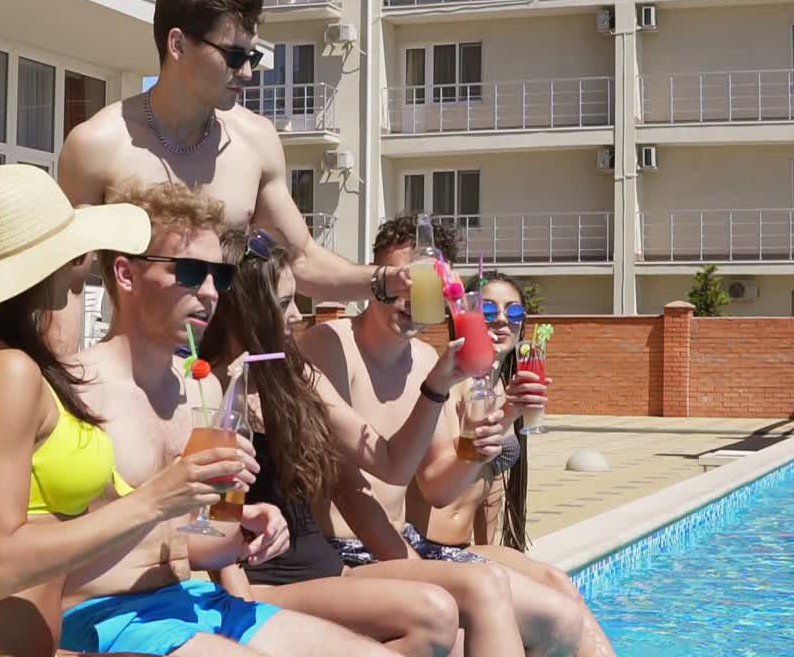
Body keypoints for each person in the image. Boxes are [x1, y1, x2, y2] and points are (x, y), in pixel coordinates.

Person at [0, 0, 411, 355]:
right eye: (234, 55)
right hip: (135, 380)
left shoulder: (257, 140)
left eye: (254, 57)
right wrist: (67, 392)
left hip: (229, 375)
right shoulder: (98, 144)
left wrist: (388, 281)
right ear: (178, 44)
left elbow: (302, 260)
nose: (247, 72)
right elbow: (70, 282)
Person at [0, 165, 257, 657]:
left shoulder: (6, 355)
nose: (85, 258)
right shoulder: (7, 369)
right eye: (71, 246)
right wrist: (158, 499)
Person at [56, 182, 401, 657]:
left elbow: (208, 542)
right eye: (192, 272)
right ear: (126, 273)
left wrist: (246, 528)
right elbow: (32, 549)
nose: (210, 292)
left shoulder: (204, 388)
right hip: (101, 615)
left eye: (219, 276)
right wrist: (163, 500)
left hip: (188, 600)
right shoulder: (73, 388)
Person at [198, 228, 535, 656]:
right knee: (434, 614)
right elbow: (213, 509)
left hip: (325, 569)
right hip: (267, 581)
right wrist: (236, 595)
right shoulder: (210, 387)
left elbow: (391, 463)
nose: (299, 318)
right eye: (284, 305)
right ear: (244, 310)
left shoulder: (297, 377)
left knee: (484, 583)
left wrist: (436, 386)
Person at [298, 215, 587, 657]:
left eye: (427, 287)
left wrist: (480, 445)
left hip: (401, 543)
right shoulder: (327, 345)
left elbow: (436, 487)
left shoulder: (422, 358)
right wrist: (415, 568)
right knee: (493, 611)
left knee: (561, 617)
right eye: (402, 283)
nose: (412, 298)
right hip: (344, 550)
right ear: (378, 278)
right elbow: (348, 488)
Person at [408, 272, 618, 657]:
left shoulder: (501, 388)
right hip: (423, 546)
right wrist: (507, 416)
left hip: (462, 548)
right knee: (554, 617)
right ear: (463, 315)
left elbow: (488, 491)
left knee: (560, 583)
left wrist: (504, 557)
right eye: (488, 308)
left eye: (513, 310)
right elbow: (436, 488)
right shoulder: (446, 382)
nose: (502, 319)